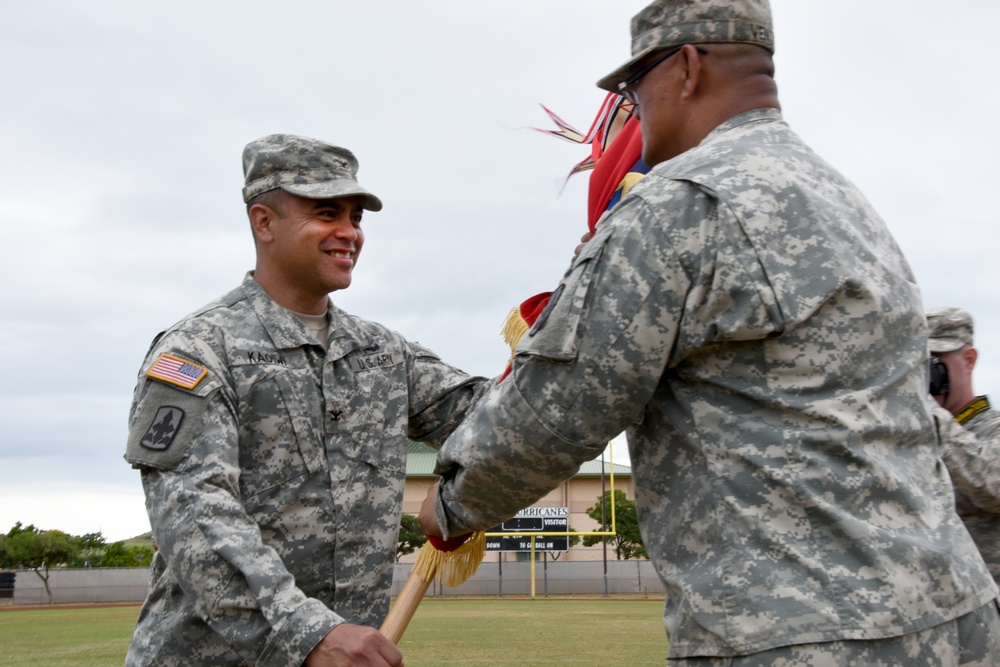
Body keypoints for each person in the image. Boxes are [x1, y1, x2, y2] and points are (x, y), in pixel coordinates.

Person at [419, 1, 1000, 664]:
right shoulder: (848, 204)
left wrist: (456, 499)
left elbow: (559, 407)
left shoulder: (682, 204)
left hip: (801, 629)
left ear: (688, 67)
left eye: (635, 87)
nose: (632, 110)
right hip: (955, 612)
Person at [123, 134, 489, 667]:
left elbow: (496, 419)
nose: (349, 233)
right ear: (263, 222)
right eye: (326, 213)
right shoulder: (200, 350)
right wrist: (309, 634)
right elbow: (195, 519)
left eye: (356, 217)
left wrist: (573, 320)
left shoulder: (383, 354)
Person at [927, 306, 1000, 584]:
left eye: (933, 362)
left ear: (968, 360)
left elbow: (993, 486)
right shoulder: (904, 437)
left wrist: (927, 413)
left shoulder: (992, 428)